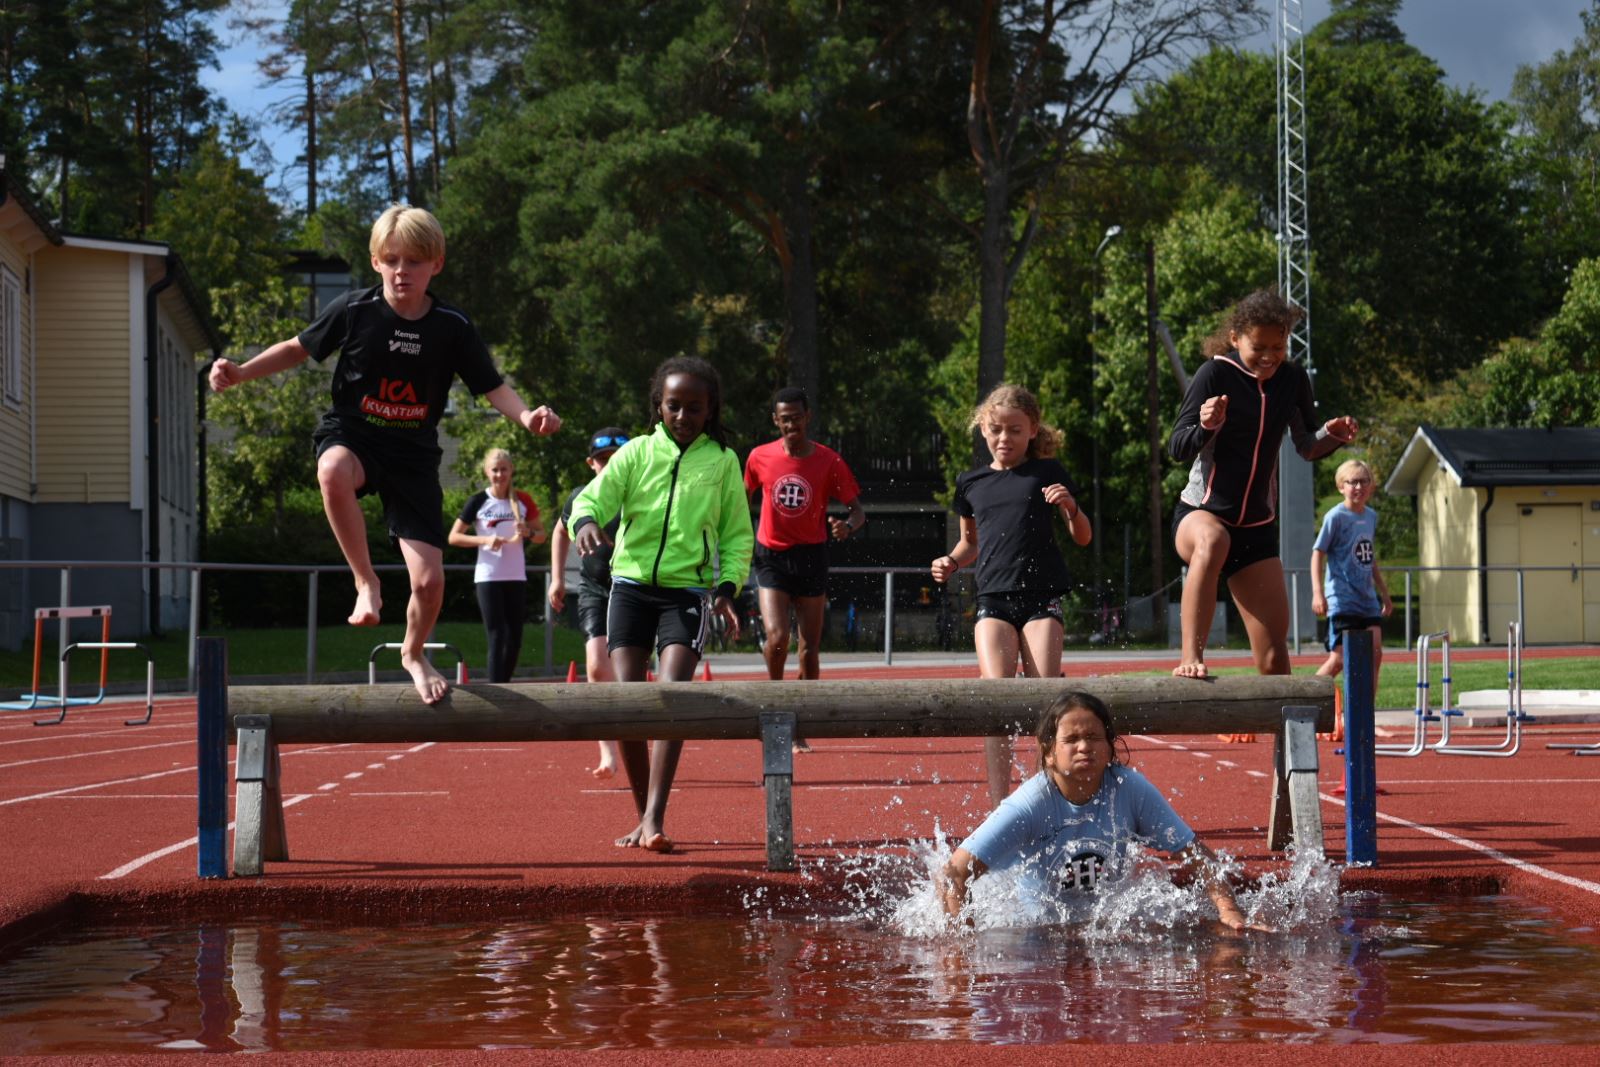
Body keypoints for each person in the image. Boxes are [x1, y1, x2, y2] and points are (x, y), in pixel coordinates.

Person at [207, 204, 560, 704]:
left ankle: (413, 652)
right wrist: (241, 372)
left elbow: (492, 385)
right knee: (331, 469)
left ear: (435, 264)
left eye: (414, 261)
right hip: (355, 437)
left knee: (431, 582)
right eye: (391, 260)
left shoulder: (452, 326)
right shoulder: (354, 311)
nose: (402, 271)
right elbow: (297, 347)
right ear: (376, 262)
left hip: (413, 457)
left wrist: (527, 417)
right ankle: (365, 581)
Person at [567, 357, 753, 853]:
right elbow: (592, 500)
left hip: (686, 594)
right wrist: (585, 522)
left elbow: (737, 533)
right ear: (659, 406)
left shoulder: (722, 461)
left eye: (695, 408)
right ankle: (640, 816)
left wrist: (730, 588)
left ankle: (654, 817)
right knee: (628, 703)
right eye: (674, 406)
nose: (683, 416)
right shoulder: (635, 455)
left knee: (671, 698)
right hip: (628, 588)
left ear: (710, 411)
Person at [939, 691, 1267, 931]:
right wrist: (964, 949)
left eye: (1094, 737)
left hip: (1105, 924)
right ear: (1049, 752)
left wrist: (1229, 909)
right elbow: (954, 874)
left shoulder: (1129, 789)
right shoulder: (1028, 805)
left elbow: (1194, 854)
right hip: (1037, 931)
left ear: (1110, 746)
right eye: (1072, 739)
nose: (1084, 747)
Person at [1168, 289, 1355, 691]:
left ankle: (1286, 752)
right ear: (1236, 338)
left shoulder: (1291, 379)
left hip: (1255, 528)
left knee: (1274, 662)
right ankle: (1191, 657)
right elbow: (1177, 447)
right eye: (1259, 347)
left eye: (1279, 346)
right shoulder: (1214, 374)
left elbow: (1306, 445)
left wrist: (1333, 436)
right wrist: (1205, 425)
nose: (1269, 356)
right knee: (1213, 539)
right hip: (1201, 514)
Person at [932, 384, 1091, 804]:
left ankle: (1050, 797)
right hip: (993, 600)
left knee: (1045, 700)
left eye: (1015, 431)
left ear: (1032, 430)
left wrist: (1070, 507)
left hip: (1041, 599)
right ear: (983, 429)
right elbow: (970, 545)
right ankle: (999, 803)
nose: (1005, 439)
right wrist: (950, 561)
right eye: (996, 429)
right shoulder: (970, 482)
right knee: (995, 700)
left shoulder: (1047, 472)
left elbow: (1083, 537)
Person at [744, 386, 865, 751]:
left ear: (807, 417)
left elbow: (858, 510)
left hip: (811, 556)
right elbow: (737, 499)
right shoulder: (759, 457)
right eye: (784, 419)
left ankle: (802, 724)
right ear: (775, 421)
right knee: (778, 637)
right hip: (771, 557)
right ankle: (777, 707)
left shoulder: (828, 460)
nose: (791, 424)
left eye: (797, 417)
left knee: (809, 650)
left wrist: (847, 525)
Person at [549, 426, 631, 778]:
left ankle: (643, 732)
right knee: (597, 665)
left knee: (631, 672)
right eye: (602, 460)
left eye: (615, 459)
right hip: (594, 588)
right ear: (591, 463)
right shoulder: (581, 497)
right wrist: (556, 578)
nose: (608, 465)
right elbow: (558, 530)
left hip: (633, 590)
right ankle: (607, 752)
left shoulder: (637, 495)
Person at [447, 448, 545, 683]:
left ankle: (505, 685)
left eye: (504, 469)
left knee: (515, 638)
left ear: (511, 471)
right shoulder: (479, 501)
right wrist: (485, 540)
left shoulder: (522, 500)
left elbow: (542, 535)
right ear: (486, 472)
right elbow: (454, 537)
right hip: (488, 576)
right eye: (495, 470)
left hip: (515, 576)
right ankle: (495, 689)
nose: (499, 475)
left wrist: (528, 532)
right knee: (497, 635)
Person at [1312, 458, 1392, 697]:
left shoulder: (1371, 516)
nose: (1359, 487)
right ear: (1341, 486)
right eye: (1353, 482)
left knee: (1375, 653)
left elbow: (1370, 557)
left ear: (1371, 486)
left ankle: (1365, 716)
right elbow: (1318, 553)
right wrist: (1318, 593)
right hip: (1342, 598)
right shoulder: (1335, 517)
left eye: (1364, 481)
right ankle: (1302, 699)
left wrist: (1384, 594)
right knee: (1338, 659)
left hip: (1367, 599)